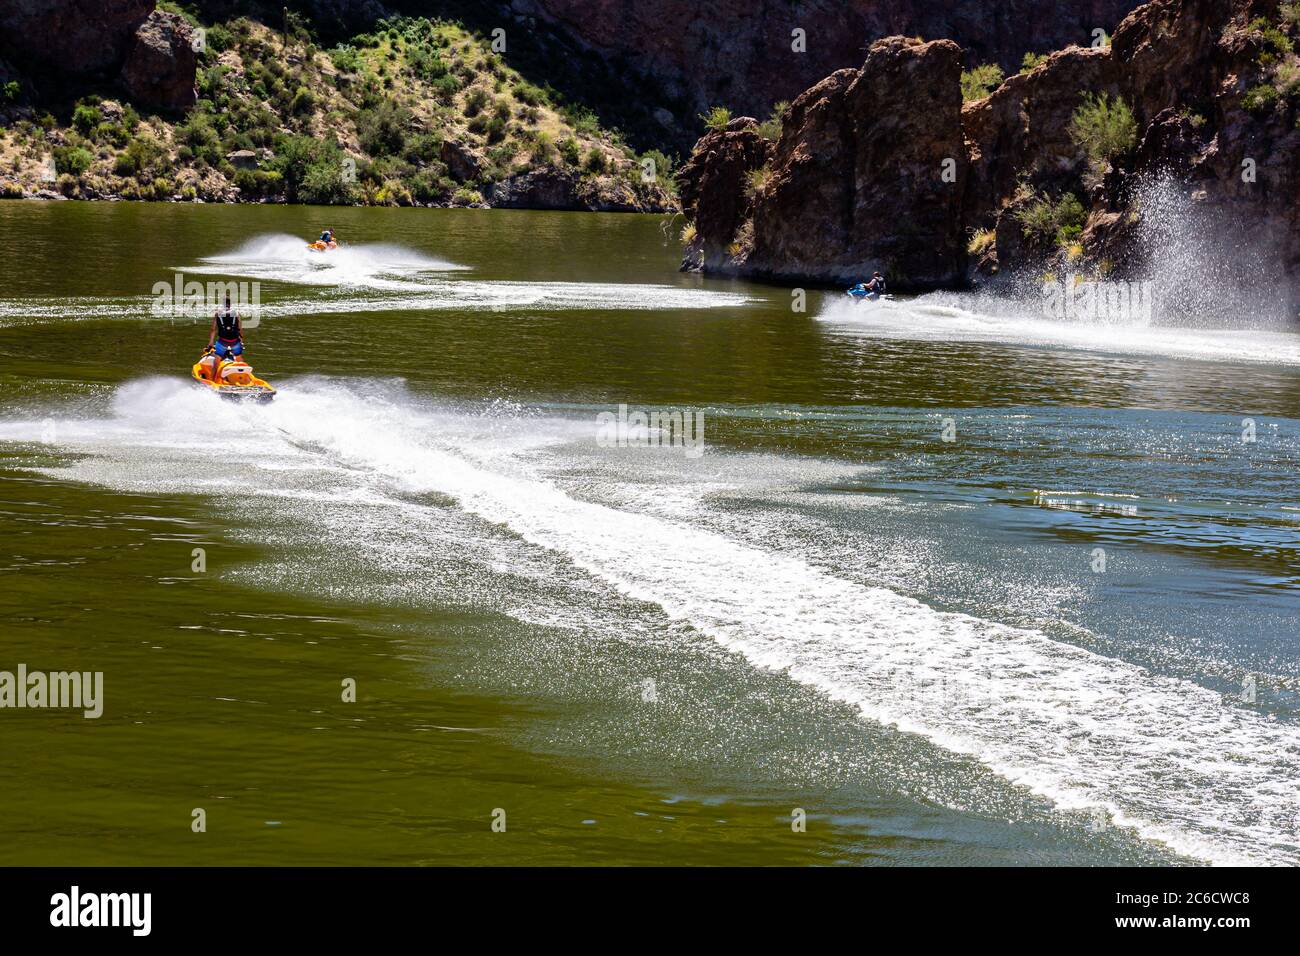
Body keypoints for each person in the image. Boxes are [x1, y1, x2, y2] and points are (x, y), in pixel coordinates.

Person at [206, 294, 242, 380]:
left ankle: (212, 381)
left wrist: (210, 343)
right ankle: (243, 378)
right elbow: (240, 329)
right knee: (239, 360)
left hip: (222, 342)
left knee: (216, 362)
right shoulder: (237, 313)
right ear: (231, 304)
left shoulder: (218, 313)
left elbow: (213, 329)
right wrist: (241, 341)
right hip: (235, 342)